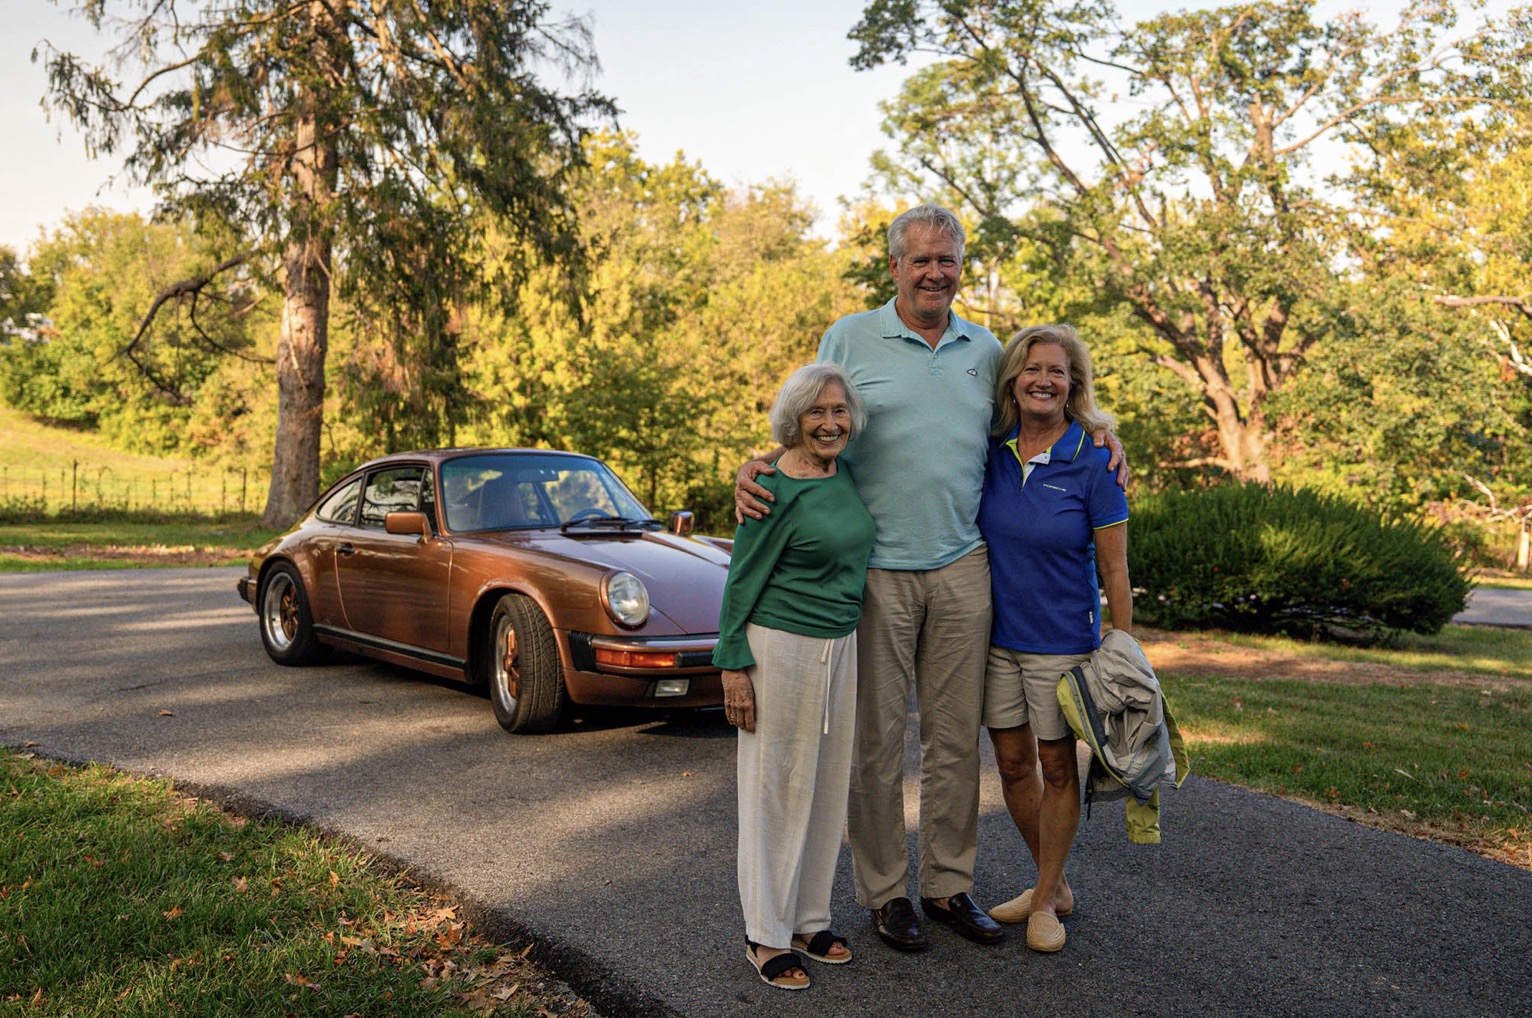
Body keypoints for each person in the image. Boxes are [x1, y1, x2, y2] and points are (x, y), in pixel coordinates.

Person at [736, 205, 1125, 953]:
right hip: (874, 570)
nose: (935, 272)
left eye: (947, 260)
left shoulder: (987, 352)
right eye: (920, 260)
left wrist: (1106, 434)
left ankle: (948, 885)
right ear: (894, 267)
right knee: (875, 744)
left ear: (959, 268)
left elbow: (1047, 411)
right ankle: (885, 893)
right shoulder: (850, 337)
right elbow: (811, 422)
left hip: (961, 568)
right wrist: (757, 465)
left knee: (954, 742)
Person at [714, 363, 876, 991]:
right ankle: (765, 933)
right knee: (775, 790)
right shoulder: (771, 489)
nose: (831, 423)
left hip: (841, 649)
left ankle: (810, 919)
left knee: (827, 787)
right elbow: (741, 579)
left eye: (839, 411)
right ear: (795, 419)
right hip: (778, 650)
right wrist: (733, 666)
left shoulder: (845, 473)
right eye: (816, 412)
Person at [976, 324, 1132, 954]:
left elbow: (1115, 568)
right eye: (1032, 368)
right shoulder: (989, 451)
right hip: (994, 641)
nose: (1044, 379)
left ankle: (1043, 902)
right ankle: (1054, 884)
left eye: (1058, 371)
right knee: (1012, 765)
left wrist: (1125, 644)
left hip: (1062, 644)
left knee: (1057, 767)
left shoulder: (1096, 460)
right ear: (1013, 379)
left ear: (1074, 385)